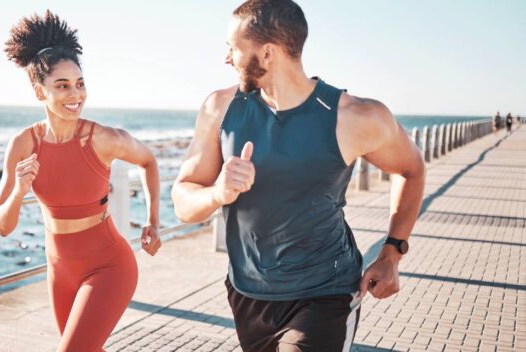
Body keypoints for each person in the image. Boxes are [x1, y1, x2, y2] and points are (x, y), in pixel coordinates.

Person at [171, 1, 425, 351]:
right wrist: (218, 192)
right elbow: (184, 201)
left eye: (233, 48)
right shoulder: (220, 108)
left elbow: (411, 168)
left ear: (268, 53)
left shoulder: (354, 117)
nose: (226, 58)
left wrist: (392, 253)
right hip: (247, 293)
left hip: (325, 292)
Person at [0, 10, 162, 351]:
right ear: (39, 92)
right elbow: (2, 225)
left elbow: (148, 161)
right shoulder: (24, 143)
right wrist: (19, 191)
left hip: (109, 265)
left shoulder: (102, 138)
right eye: (63, 85)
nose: (76, 95)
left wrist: (153, 222)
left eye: (80, 83)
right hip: (60, 271)